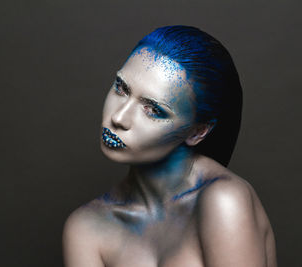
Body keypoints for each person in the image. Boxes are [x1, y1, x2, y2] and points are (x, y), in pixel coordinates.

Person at [62, 25, 277, 267]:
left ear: (198, 131)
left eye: (153, 110)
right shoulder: (86, 228)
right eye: (121, 88)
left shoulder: (224, 201)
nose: (119, 118)